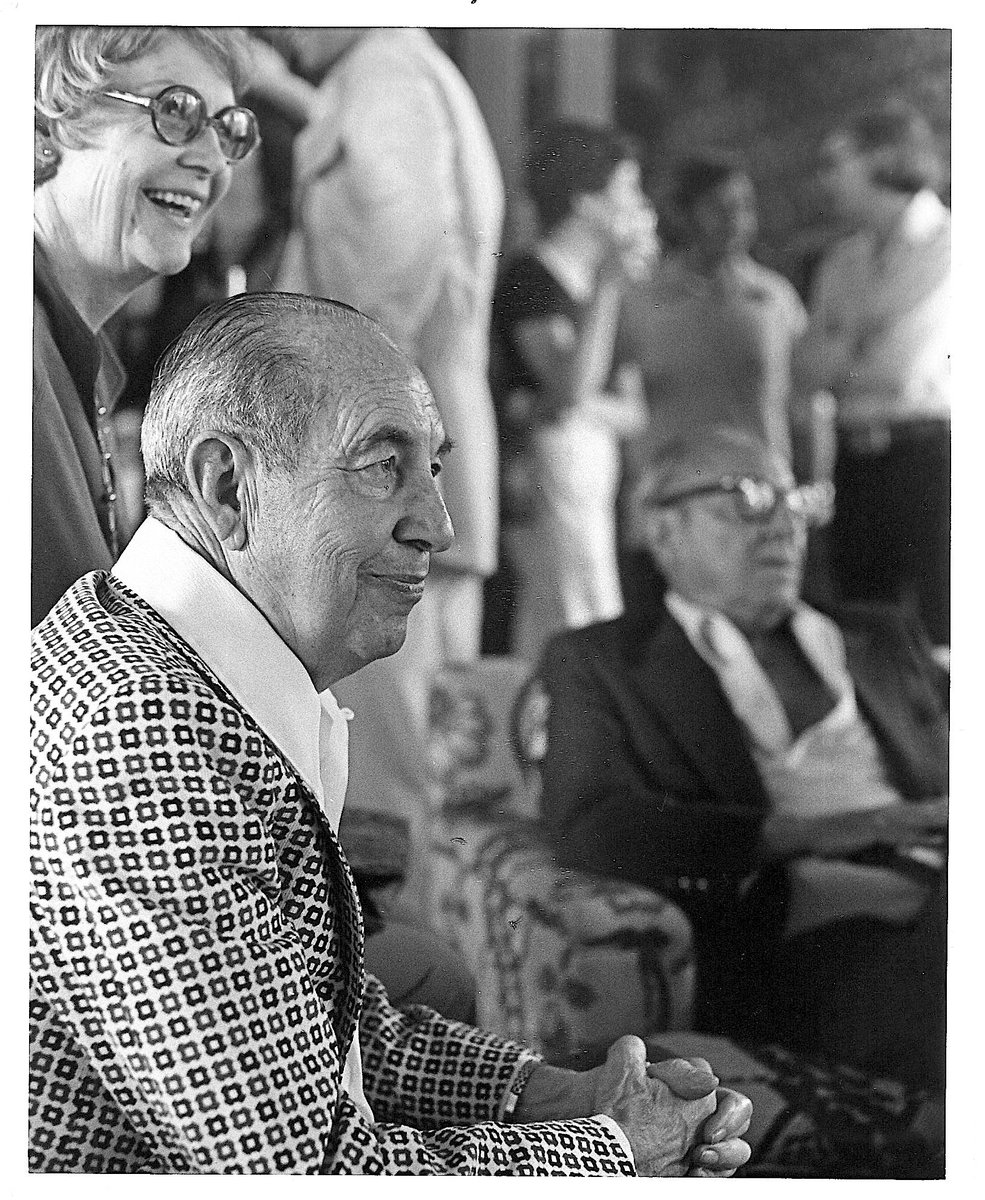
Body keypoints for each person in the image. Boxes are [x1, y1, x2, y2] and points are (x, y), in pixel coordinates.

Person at [29, 292, 754, 1175]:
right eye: (381, 464)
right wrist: (615, 1151)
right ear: (229, 486)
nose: (439, 527)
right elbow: (307, 1177)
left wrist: (553, 1094)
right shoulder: (144, 729)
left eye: (434, 469)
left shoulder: (164, 655)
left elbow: (322, 1022)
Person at [538, 427, 948, 1087]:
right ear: (663, 531)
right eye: (747, 500)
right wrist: (826, 831)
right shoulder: (602, 660)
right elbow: (588, 822)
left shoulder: (880, 635)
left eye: (793, 502)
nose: (781, 527)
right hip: (804, 938)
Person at [274, 27, 505, 911]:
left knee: (384, 774)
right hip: (413, 463)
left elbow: (393, 282)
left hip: (382, 475)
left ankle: (392, 1003)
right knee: (415, 770)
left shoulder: (385, 78)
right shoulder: (401, 72)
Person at [32, 25, 260, 627]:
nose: (213, 162)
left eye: (229, 129)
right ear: (46, 125)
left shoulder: (68, 347)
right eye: (175, 111)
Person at [489, 120, 656, 662]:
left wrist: (569, 409)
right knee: (565, 617)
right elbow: (571, 383)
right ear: (586, 200)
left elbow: (632, 411)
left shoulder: (599, 290)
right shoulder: (534, 277)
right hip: (547, 481)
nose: (638, 204)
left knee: (591, 609)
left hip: (593, 476)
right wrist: (607, 287)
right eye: (627, 189)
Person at [793, 101, 950, 645]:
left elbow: (896, 371)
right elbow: (810, 371)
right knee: (863, 630)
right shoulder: (841, 261)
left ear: (883, 159)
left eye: (836, 162)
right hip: (856, 465)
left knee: (941, 628)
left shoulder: (954, 247)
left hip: (929, 457)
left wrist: (846, 340)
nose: (824, 180)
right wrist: (864, 337)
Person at [619, 153, 807, 467]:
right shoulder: (642, 299)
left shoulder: (774, 297)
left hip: (760, 490)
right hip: (671, 493)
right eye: (720, 209)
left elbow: (806, 396)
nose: (737, 221)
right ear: (682, 214)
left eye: (746, 207)